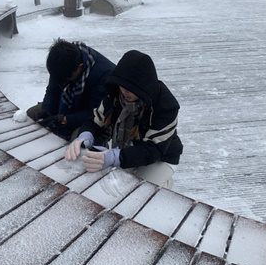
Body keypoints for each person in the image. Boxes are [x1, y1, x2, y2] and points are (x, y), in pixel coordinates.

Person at [64, 50, 183, 188]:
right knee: (112, 182)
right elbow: (95, 121)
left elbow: (152, 150)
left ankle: (164, 184)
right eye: (122, 86)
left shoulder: (166, 107)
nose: (125, 92)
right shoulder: (115, 96)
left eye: (131, 88)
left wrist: (115, 157)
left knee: (140, 190)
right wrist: (84, 137)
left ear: (143, 86)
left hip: (160, 158)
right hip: (127, 151)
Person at [26, 39, 115, 140]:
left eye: (66, 79)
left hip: (94, 119)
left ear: (79, 67)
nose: (62, 83)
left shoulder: (104, 76)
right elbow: (52, 90)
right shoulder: (61, 62)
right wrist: (46, 111)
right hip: (67, 105)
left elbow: (96, 113)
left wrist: (65, 119)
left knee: (76, 142)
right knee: (31, 115)